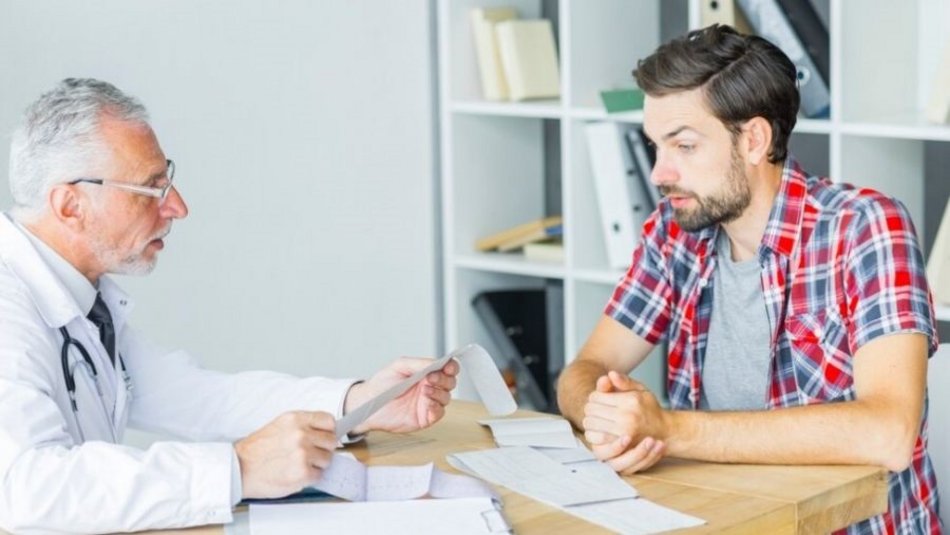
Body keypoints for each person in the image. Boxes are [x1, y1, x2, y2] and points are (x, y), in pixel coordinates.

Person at [0, 78, 459, 534]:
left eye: (169, 181)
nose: (177, 207)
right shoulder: (9, 305)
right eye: (151, 189)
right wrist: (237, 468)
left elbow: (197, 395)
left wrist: (359, 403)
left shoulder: (79, 297)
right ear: (70, 205)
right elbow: (24, 489)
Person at [557, 24, 940, 534]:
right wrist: (605, 414)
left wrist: (667, 429)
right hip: (725, 518)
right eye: (656, 146)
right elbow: (585, 368)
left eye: (684, 146)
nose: (658, 173)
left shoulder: (865, 227)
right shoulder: (676, 232)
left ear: (754, 140)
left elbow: (888, 432)